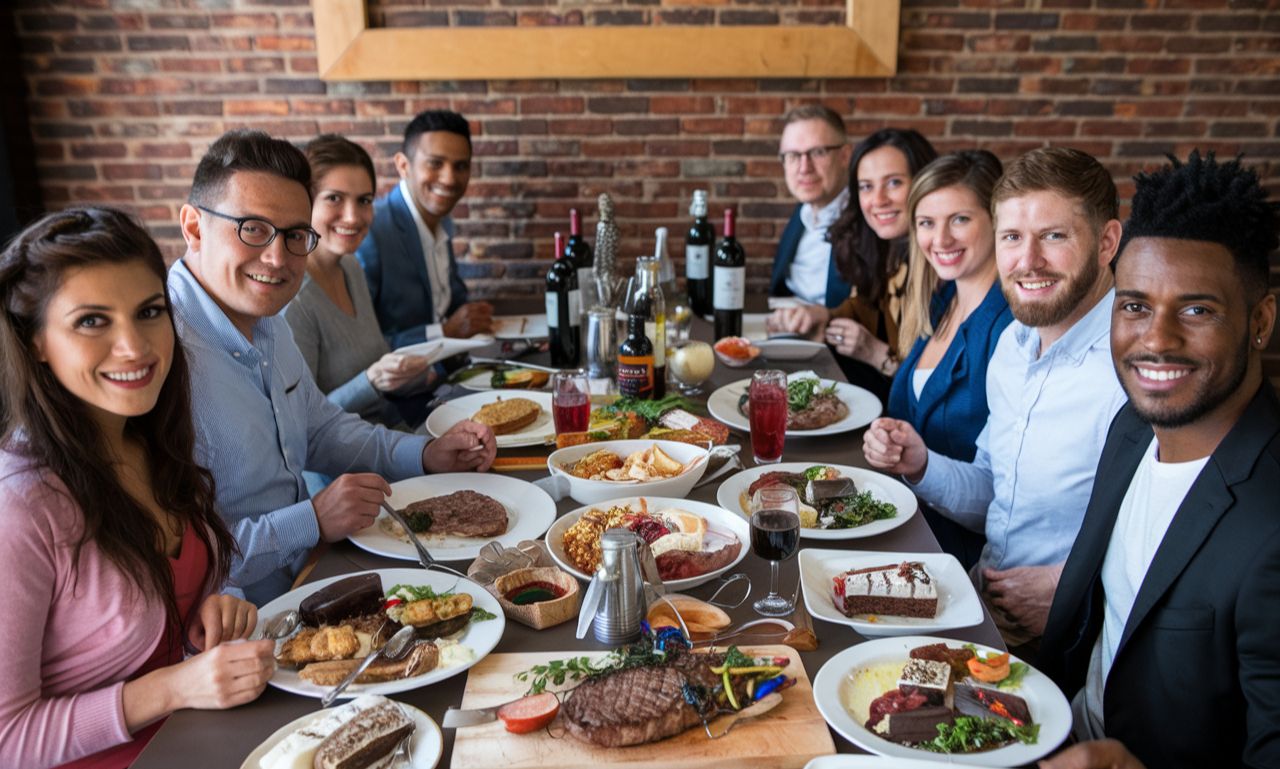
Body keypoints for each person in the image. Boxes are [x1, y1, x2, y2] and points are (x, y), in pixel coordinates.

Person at [172, 129, 496, 605]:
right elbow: (177, 562)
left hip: (311, 579)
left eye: (295, 236)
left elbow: (321, 429)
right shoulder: (158, 353)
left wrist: (426, 454)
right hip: (234, 637)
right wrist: (311, 519)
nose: (277, 258)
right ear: (194, 227)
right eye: (253, 229)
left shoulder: (266, 322)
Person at [0, 208, 275, 768]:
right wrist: (175, 688)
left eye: (149, 312)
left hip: (204, 742)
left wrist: (216, 607)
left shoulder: (150, 440)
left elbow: (175, 606)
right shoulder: (20, 507)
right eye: (91, 321)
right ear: (35, 343)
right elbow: (7, 738)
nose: (135, 346)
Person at [1037, 152, 1279, 769]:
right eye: (1135, 305)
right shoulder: (1132, 429)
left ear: (1261, 321)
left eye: (1196, 310)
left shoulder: (1271, 525)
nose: (1156, 339)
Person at [863, 147, 1128, 647]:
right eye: (1013, 237)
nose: (1027, 261)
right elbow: (995, 492)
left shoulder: (1131, 365)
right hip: (982, 604)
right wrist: (921, 465)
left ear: (1107, 241)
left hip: (1073, 638)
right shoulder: (1015, 344)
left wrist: (1070, 584)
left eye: (1053, 236)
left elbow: (1173, 534)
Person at [883, 150, 1013, 569]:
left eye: (959, 219)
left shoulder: (1009, 327)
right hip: (906, 530)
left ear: (995, 219)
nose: (940, 240)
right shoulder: (941, 302)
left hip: (955, 557)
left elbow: (1002, 495)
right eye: (926, 223)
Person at [771, 128, 938, 401]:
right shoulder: (885, 248)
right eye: (866, 186)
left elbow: (935, 389)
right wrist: (824, 315)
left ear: (924, 182)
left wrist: (875, 353)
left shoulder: (940, 269)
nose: (879, 200)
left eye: (894, 183)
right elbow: (865, 305)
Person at [285, 134, 432, 429]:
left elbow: (376, 362)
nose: (352, 217)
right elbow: (300, 423)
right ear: (304, 201)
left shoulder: (351, 267)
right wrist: (371, 381)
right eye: (334, 198)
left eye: (364, 200)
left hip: (385, 436)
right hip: (339, 470)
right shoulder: (293, 299)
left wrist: (413, 374)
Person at [357, 109, 493, 350]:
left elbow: (449, 303)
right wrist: (443, 332)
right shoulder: (371, 231)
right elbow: (364, 346)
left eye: (460, 166)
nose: (450, 179)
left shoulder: (442, 220)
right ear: (403, 165)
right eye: (435, 163)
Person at [766, 104, 854, 310]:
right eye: (793, 156)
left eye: (818, 152)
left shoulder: (870, 218)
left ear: (845, 156)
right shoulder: (802, 213)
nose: (804, 168)